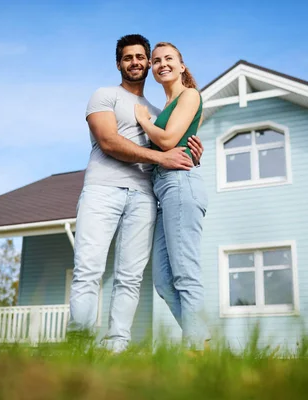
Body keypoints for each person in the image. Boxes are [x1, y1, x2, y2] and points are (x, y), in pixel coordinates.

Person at [67, 34, 204, 353]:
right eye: (129, 58)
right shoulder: (104, 95)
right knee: (88, 268)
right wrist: (161, 156)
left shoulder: (158, 109)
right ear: (119, 64)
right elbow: (109, 142)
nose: (137, 62)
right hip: (103, 189)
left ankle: (117, 347)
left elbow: (172, 142)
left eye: (142, 57)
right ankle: (79, 345)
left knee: (129, 277)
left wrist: (193, 151)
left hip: (145, 197)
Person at [134, 42, 210, 351]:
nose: (161, 64)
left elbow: (167, 141)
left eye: (169, 59)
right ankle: (203, 343)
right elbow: (182, 144)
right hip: (165, 192)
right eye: (156, 61)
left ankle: (196, 352)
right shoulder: (166, 107)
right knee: (164, 282)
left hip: (180, 186)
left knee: (185, 274)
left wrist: (143, 121)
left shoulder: (189, 96)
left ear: (181, 66)